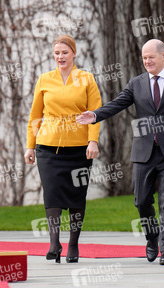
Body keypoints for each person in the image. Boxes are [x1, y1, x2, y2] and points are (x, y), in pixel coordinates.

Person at [77, 39, 164, 265]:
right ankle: (152, 238)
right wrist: (95, 115)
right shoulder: (137, 83)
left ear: (163, 56)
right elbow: (117, 104)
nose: (147, 61)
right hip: (143, 152)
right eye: (144, 57)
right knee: (141, 201)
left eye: (150, 57)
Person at [24, 34, 101, 263]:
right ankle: (54, 242)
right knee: (53, 194)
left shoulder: (86, 79)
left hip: (79, 150)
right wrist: (30, 146)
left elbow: (96, 114)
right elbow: (35, 116)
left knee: (77, 196)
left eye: (64, 52)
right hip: (48, 149)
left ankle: (74, 245)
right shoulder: (44, 79)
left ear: (74, 53)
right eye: (57, 53)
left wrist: (93, 141)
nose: (60, 57)